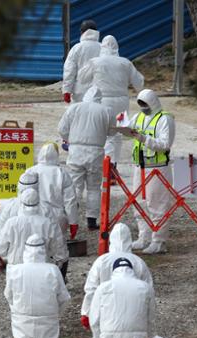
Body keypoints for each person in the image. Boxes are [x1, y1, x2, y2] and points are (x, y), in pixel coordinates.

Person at [81, 223, 153, 338]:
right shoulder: (138, 263)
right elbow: (149, 293)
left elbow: (90, 290)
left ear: (110, 239)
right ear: (130, 239)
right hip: (134, 319)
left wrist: (86, 313)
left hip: (106, 317)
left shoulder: (102, 261)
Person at [78, 35, 144, 164]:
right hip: (121, 103)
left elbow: (82, 78)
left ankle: (104, 163)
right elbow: (139, 83)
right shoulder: (126, 63)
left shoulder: (95, 62)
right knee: (118, 133)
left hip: (102, 101)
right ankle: (113, 165)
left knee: (102, 131)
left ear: (102, 47)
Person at [58, 85, 115, 230]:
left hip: (76, 151)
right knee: (94, 188)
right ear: (99, 99)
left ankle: (71, 220)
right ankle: (91, 221)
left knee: (75, 187)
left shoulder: (74, 108)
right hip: (96, 152)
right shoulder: (106, 111)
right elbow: (112, 132)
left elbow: (62, 129)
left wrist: (69, 140)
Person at [127, 89, 176, 254]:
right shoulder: (139, 116)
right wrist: (122, 125)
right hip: (139, 166)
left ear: (153, 102)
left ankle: (159, 241)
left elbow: (164, 144)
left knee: (157, 204)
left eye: (145, 104)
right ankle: (144, 237)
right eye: (140, 104)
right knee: (138, 203)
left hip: (157, 168)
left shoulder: (165, 119)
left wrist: (143, 138)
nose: (142, 107)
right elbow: (128, 131)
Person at [0, 188, 69, 277]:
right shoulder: (47, 223)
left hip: (16, 269)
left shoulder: (11, 223)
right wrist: (59, 262)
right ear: (38, 203)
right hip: (42, 268)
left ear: (21, 203)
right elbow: (59, 248)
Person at [28, 142, 79, 240]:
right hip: (57, 219)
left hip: (34, 216)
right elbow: (70, 201)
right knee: (57, 249)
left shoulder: (30, 171)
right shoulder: (62, 173)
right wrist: (73, 222)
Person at [62, 19, 101, 103]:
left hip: (80, 92)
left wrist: (67, 91)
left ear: (82, 32)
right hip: (99, 91)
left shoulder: (77, 48)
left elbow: (69, 70)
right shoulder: (103, 48)